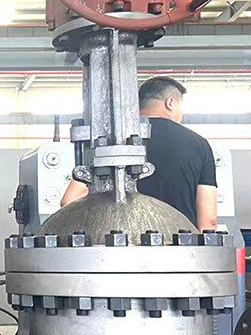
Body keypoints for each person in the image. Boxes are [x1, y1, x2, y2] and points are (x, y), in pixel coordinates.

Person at [60, 76, 218, 231]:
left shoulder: (114, 142)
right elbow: (208, 223)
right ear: (170, 103)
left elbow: (69, 200)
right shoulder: (200, 145)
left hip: (121, 240)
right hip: (181, 243)